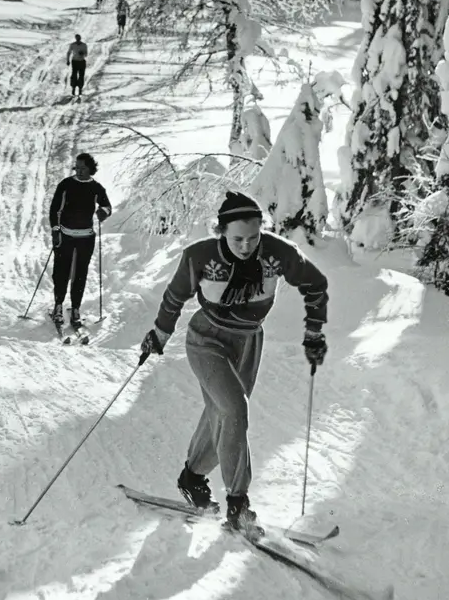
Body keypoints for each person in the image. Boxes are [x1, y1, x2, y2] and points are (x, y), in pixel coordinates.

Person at [138, 191, 329, 538]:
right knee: (234, 410)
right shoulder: (201, 256)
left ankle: (192, 477)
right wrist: (159, 335)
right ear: (221, 230)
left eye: (253, 238)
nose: (246, 246)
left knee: (223, 414)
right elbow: (175, 296)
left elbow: (315, 284)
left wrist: (314, 333)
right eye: (238, 238)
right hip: (206, 340)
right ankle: (239, 505)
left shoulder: (277, 253)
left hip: (249, 342)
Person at [48, 152, 112, 329]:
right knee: (61, 272)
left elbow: (107, 206)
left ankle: (76, 308)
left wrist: (103, 213)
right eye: (77, 167)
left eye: (83, 168)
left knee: (80, 274)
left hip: (86, 238)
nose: (79, 170)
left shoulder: (96, 188)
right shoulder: (66, 185)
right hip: (66, 235)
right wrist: (55, 230)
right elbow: (55, 209)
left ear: (91, 169)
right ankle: (58, 306)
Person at [66, 33, 88, 99]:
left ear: (80, 38)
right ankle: (73, 88)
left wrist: (83, 53)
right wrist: (68, 60)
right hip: (75, 61)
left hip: (82, 61)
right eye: (77, 38)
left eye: (79, 38)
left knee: (81, 75)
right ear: (75, 39)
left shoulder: (84, 45)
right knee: (74, 75)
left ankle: (80, 89)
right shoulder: (72, 45)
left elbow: (86, 54)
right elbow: (68, 52)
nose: (78, 39)